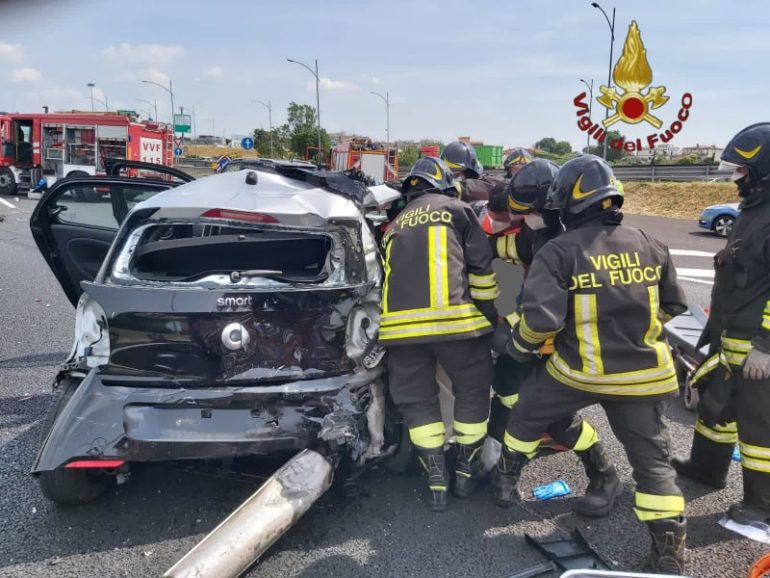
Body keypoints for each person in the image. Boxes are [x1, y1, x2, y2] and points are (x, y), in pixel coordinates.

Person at [494, 154, 688, 573]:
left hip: (577, 372)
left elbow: (542, 321)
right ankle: (669, 554)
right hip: (643, 379)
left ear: (565, 201)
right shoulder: (649, 243)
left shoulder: (560, 251)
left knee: (525, 415)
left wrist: (518, 348)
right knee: (654, 468)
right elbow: (673, 306)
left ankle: (506, 484)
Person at [487, 159, 622, 519]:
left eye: (528, 213)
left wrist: (513, 327)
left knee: (555, 414)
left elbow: (558, 308)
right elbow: (518, 250)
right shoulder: (544, 230)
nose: (522, 220)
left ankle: (604, 473)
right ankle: (506, 466)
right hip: (538, 337)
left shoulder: (573, 239)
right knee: (510, 392)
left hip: (563, 342)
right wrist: (479, 246)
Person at [379, 156, 498, 511]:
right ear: (446, 185)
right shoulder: (458, 210)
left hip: (401, 335)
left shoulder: (394, 224)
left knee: (417, 402)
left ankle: (435, 481)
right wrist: (489, 318)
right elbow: (481, 270)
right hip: (457, 327)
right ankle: (464, 471)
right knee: (472, 393)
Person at [672, 123, 770, 528]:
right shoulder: (754, 210)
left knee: (759, 430)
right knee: (715, 409)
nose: (737, 178)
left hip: (755, 350)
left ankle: (762, 506)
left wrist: (766, 344)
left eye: (743, 171)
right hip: (730, 339)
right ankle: (706, 468)